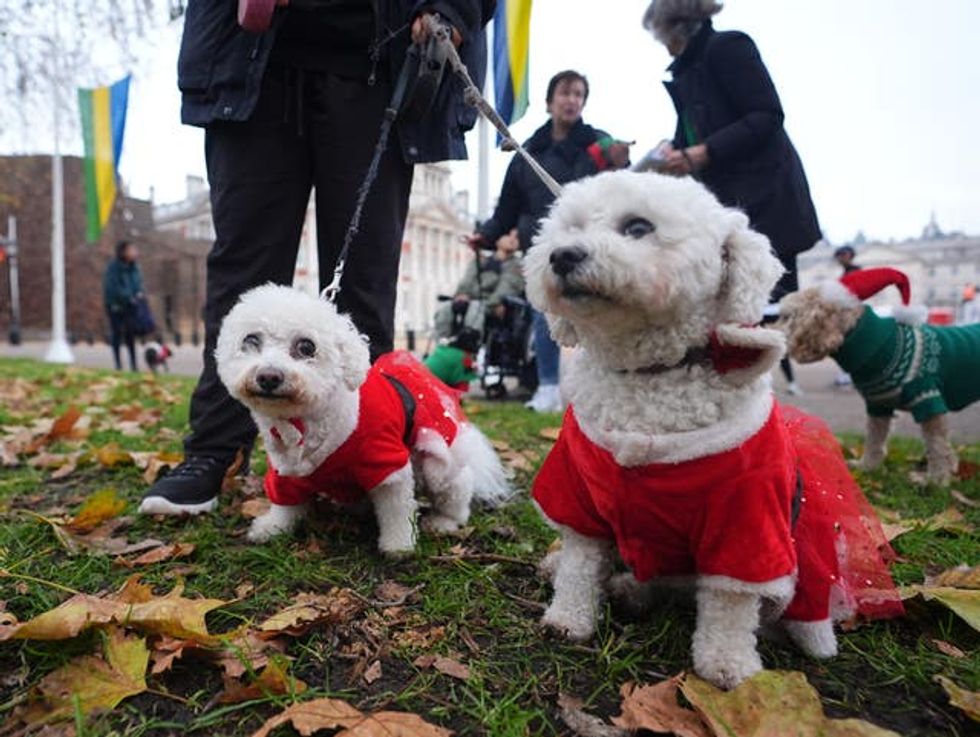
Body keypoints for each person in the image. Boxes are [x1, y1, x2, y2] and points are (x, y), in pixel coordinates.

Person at [141, 0, 492, 516]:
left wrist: (454, 9)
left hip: (380, 61)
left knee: (364, 279)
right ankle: (215, 449)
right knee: (243, 272)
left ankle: (365, 451)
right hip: (251, 59)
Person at [643, 0, 821, 400]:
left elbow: (766, 115)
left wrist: (702, 153)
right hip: (727, 201)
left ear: (676, 29)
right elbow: (690, 135)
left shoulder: (729, 47)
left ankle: (768, 390)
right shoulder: (687, 74)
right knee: (732, 298)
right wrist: (671, 155)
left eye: (661, 37)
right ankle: (743, 385)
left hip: (765, 199)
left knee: (769, 295)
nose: (663, 47)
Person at [472, 70, 631, 413]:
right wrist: (484, 235)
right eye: (565, 93)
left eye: (579, 94)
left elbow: (621, 192)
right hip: (541, 248)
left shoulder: (598, 144)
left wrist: (621, 161)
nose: (572, 100)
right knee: (543, 316)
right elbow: (507, 210)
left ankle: (602, 385)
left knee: (597, 316)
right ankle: (547, 387)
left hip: (591, 248)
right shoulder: (525, 153)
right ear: (549, 102)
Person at [433, 227, 524, 340]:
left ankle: (469, 345)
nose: (512, 239)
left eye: (516, 237)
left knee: (475, 310)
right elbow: (467, 280)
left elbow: (507, 287)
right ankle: (442, 346)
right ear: (497, 240)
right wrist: (462, 294)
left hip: (491, 304)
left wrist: (492, 303)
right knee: (446, 310)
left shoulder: (516, 265)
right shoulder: (481, 260)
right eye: (508, 235)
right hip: (472, 300)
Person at [102, 240, 144, 372]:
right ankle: (118, 364)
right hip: (116, 306)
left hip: (131, 306)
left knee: (130, 335)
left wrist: (139, 294)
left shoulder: (135, 267)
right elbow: (112, 287)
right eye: (131, 249)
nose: (134, 252)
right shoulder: (113, 268)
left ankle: (133, 365)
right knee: (117, 334)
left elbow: (138, 283)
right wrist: (128, 296)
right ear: (123, 252)